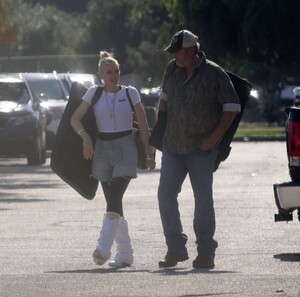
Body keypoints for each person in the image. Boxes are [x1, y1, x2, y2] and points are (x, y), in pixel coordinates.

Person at [157, 30, 241, 269]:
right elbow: (163, 101)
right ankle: (175, 248)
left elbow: (232, 107)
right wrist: (157, 135)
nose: (175, 56)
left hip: (201, 149)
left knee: (202, 200)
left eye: (178, 52)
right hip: (172, 145)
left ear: (192, 50)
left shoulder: (214, 74)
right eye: (173, 52)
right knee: (165, 195)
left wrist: (213, 139)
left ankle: (205, 252)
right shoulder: (171, 70)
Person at [71, 51, 155, 268]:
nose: (114, 75)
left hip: (126, 147)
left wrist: (148, 150)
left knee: (116, 192)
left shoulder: (130, 92)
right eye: (109, 72)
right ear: (100, 74)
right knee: (113, 201)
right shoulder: (94, 93)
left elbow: (143, 124)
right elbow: (75, 119)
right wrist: (85, 137)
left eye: (116, 71)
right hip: (102, 149)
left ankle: (103, 247)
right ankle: (125, 254)